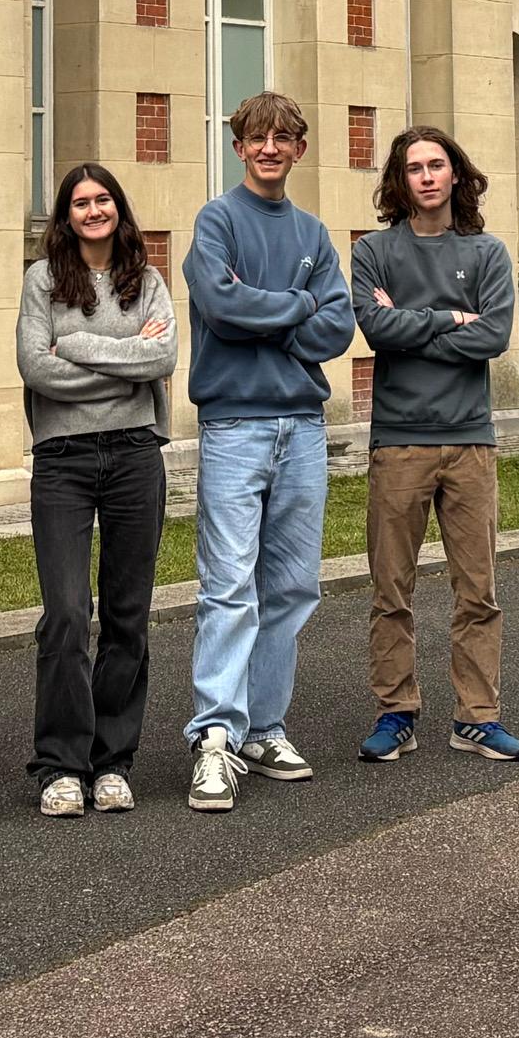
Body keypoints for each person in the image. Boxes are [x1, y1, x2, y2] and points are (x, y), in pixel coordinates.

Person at [178, 91, 355, 814]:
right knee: (228, 583)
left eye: (283, 138)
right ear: (239, 147)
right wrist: (299, 306)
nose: (270, 149)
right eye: (258, 138)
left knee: (290, 586)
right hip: (234, 427)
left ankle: (264, 728)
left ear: (299, 150)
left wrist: (274, 310)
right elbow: (219, 304)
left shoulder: (314, 233)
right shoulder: (216, 221)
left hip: (302, 430)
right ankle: (214, 737)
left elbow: (338, 327)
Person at [353, 125, 519, 767]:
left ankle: (477, 718)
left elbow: (493, 337)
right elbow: (374, 328)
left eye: (436, 165)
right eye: (413, 168)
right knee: (390, 590)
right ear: (400, 182)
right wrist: (449, 317)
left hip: (469, 442)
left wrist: (412, 323)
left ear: (456, 175)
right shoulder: (373, 251)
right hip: (398, 442)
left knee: (477, 591)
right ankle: (396, 713)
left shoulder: (486, 254)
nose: (426, 176)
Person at [16, 161, 179, 819]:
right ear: (66, 214)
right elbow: (34, 366)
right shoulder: (43, 281)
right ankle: (60, 763)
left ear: (118, 208)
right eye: (80, 202)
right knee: (63, 610)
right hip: (62, 458)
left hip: (137, 455)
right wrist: (118, 362)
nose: (92, 210)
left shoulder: (148, 280)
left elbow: (164, 359)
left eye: (102, 199)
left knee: (127, 613)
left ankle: (112, 760)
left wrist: (75, 346)